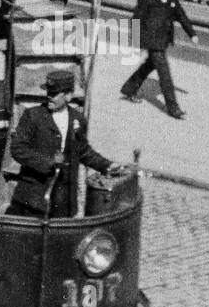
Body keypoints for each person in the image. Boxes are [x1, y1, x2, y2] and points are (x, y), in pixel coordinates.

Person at [7, 70, 125, 217]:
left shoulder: (77, 119)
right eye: (48, 92)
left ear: (68, 95)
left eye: (54, 94)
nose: (49, 97)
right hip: (33, 200)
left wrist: (106, 165)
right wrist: (47, 163)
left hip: (64, 201)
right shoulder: (32, 116)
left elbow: (83, 151)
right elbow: (17, 148)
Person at [120, 0, 198, 119]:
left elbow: (180, 14)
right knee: (164, 72)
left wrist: (192, 33)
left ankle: (129, 88)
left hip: (163, 39)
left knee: (149, 65)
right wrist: (136, 44)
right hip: (152, 41)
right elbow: (136, 20)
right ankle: (173, 108)